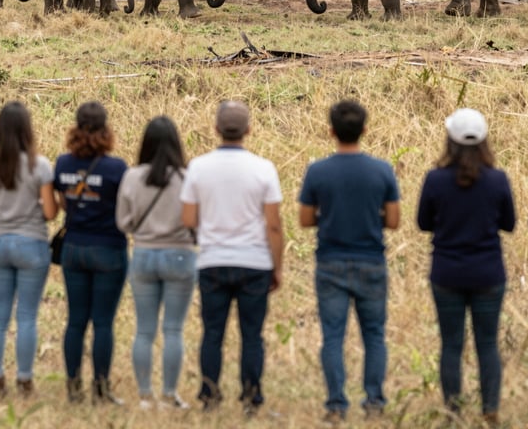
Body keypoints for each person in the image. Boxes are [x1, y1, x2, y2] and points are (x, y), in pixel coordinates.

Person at [298, 100, 401, 423]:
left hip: (331, 261)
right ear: (365, 131)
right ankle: (374, 402)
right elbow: (395, 220)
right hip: (370, 260)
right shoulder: (382, 169)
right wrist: (371, 218)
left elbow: (304, 219)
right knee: (373, 335)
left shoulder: (318, 171)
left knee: (332, 336)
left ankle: (336, 404)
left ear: (331, 131)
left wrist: (328, 218)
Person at [181, 100, 283, 414]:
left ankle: (209, 396)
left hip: (213, 260)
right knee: (252, 335)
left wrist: (209, 234)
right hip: (254, 262)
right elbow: (274, 225)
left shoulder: (198, 167)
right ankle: (251, 397)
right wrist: (276, 267)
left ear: (216, 130)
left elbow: (187, 219)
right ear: (249, 130)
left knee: (213, 333)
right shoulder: (263, 168)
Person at [417, 108, 516, 426]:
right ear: (485, 141)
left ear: (450, 140)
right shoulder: (497, 179)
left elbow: (423, 223)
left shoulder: (435, 179)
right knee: (487, 344)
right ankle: (490, 409)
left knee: (451, 345)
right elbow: (509, 224)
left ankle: (453, 411)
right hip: (488, 272)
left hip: (447, 272)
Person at [0, 101, 58, 397]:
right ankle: (24, 378)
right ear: (28, 129)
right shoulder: (41, 165)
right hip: (32, 244)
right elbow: (50, 213)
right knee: (26, 316)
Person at [116, 116, 196, 410]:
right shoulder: (187, 178)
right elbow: (196, 221)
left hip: (144, 255)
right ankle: (170, 394)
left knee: (144, 330)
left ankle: (145, 396)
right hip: (180, 255)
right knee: (173, 329)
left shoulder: (132, 177)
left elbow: (123, 222)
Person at [53, 100, 128, 405]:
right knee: (103, 323)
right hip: (108, 248)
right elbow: (124, 210)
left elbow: (60, 204)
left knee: (75, 321)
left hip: (73, 248)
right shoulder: (117, 168)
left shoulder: (63, 164)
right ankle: (101, 388)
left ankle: (73, 387)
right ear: (106, 129)